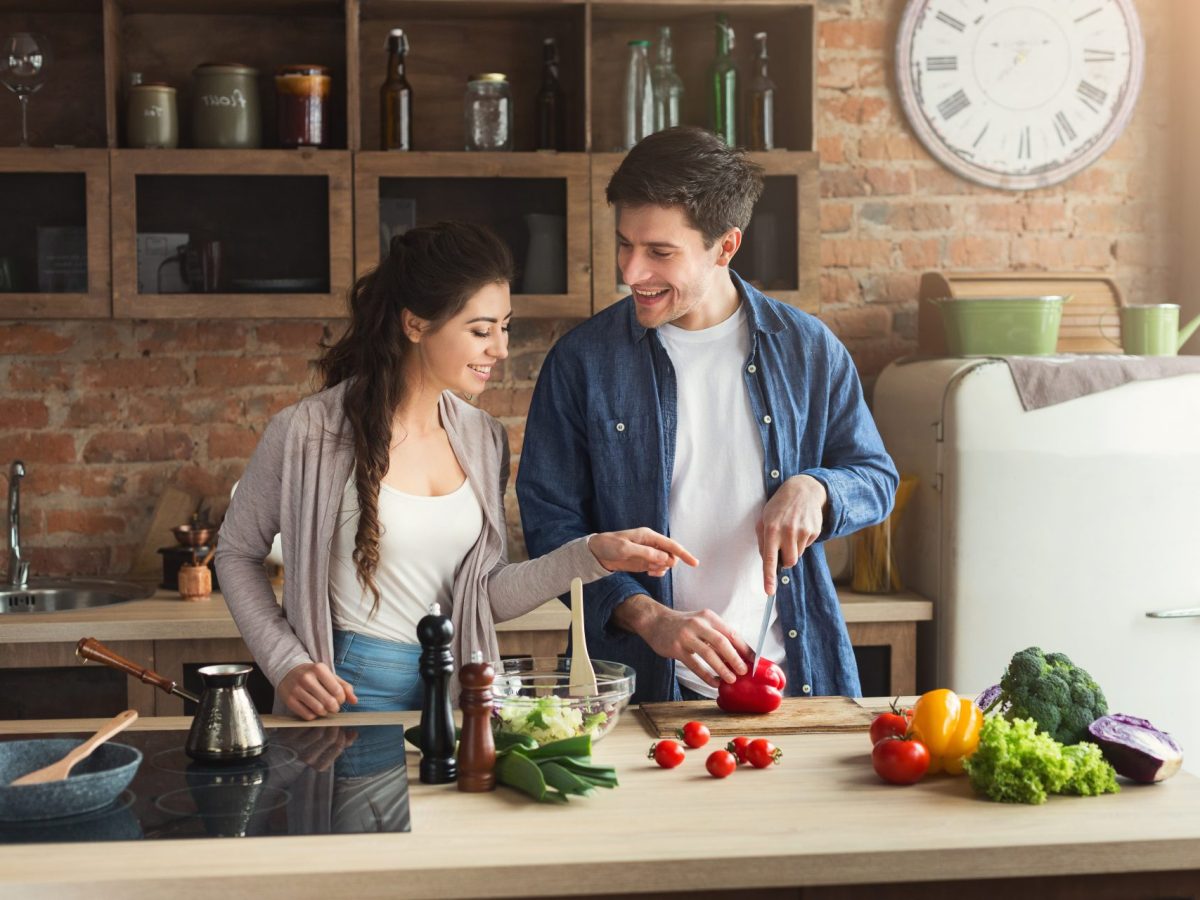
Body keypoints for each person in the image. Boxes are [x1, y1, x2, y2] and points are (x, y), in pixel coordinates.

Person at [216, 221, 695, 720]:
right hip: (349, 691)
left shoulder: (482, 438)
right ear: (416, 325)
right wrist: (285, 662)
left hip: (461, 691)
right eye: (481, 330)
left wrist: (592, 554)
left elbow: (483, 595)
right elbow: (236, 553)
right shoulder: (307, 433)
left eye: (504, 327)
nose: (501, 349)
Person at [516, 127, 898, 704]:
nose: (631, 271)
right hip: (638, 691)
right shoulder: (582, 363)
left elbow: (875, 477)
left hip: (791, 681)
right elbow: (551, 527)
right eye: (625, 244)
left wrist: (816, 488)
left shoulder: (808, 350)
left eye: (660, 253)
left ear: (726, 246)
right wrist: (648, 616)